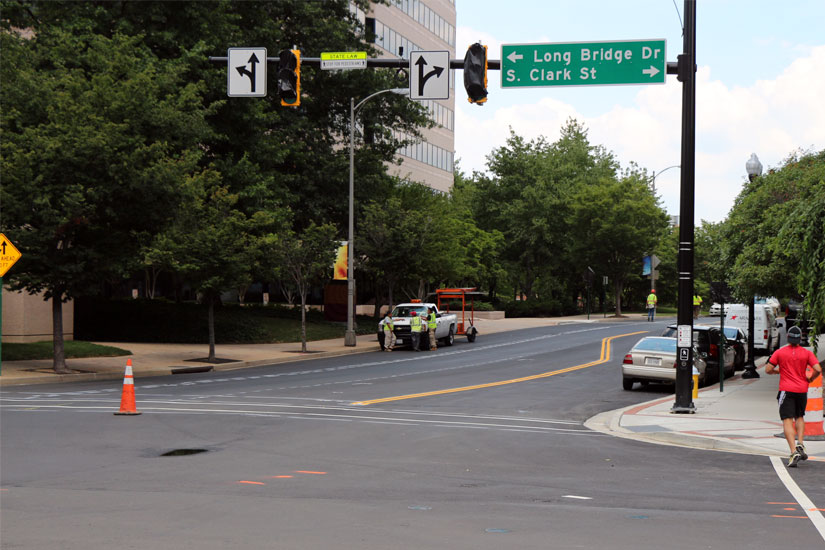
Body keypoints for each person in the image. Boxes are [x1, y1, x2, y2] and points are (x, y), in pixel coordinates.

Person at [765, 325, 822, 467]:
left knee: (787, 419)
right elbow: (818, 369)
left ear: (789, 338)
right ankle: (800, 443)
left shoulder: (780, 352)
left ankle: (793, 451)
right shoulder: (807, 353)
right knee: (800, 416)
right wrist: (810, 379)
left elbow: (768, 369)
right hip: (802, 390)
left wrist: (777, 372)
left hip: (786, 390)